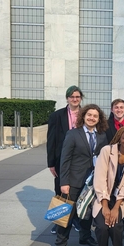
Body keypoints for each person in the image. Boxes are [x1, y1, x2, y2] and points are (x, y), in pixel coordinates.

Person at [55, 104, 108, 246]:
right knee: (67, 214)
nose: (92, 118)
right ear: (83, 116)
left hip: (91, 182)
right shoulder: (73, 134)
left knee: (86, 212)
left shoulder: (102, 136)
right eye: (89, 115)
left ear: (99, 119)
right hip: (73, 181)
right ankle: (60, 244)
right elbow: (65, 160)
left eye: (95, 116)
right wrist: (63, 182)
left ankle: (84, 236)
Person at [47, 86, 84, 234]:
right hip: (61, 159)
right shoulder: (57, 116)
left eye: (77, 97)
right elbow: (51, 141)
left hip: (81, 160)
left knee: (79, 191)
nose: (75, 99)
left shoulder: (87, 114)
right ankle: (59, 222)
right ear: (67, 98)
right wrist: (51, 163)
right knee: (60, 191)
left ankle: (75, 219)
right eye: (72, 97)